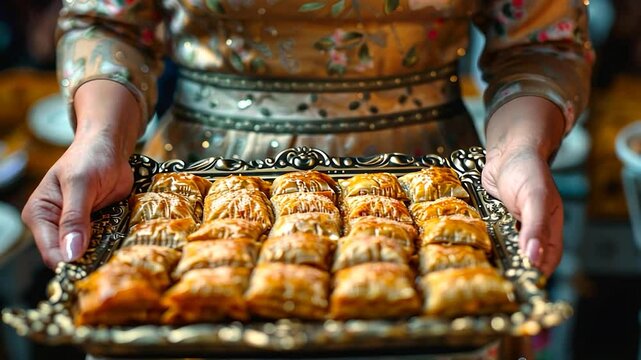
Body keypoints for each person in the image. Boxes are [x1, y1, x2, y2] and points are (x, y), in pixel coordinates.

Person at [22, 0, 593, 278]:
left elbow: (541, 41)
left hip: (432, 206)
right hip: (191, 198)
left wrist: (518, 153)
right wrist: (98, 139)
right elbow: (111, 21)